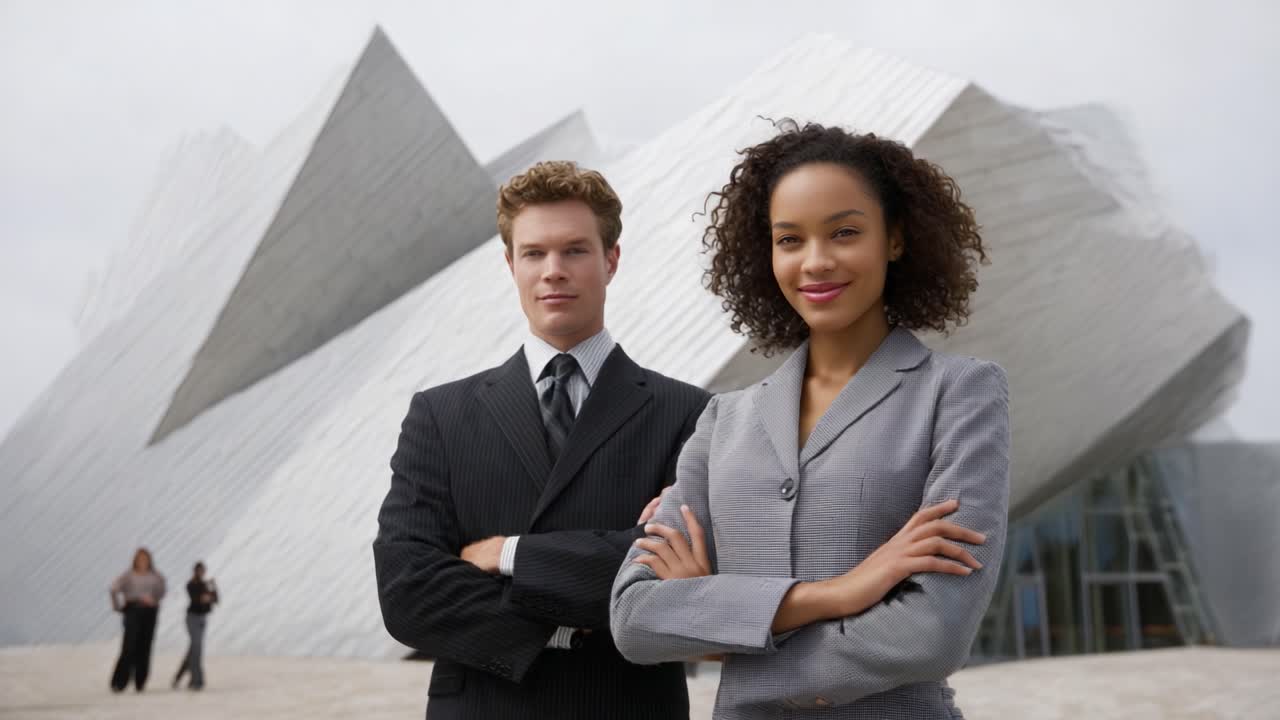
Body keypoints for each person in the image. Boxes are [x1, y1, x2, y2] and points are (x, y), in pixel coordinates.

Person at [611, 122, 1010, 718]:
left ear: (895, 239)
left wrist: (722, 627)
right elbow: (633, 619)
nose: (816, 262)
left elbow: (933, 633)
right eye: (790, 239)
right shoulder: (723, 420)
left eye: (845, 232)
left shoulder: (959, 393)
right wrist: (837, 593)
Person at [373, 161, 710, 719]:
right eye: (534, 253)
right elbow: (408, 589)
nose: (553, 271)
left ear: (611, 260)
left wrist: (507, 554)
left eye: (574, 250)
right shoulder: (440, 415)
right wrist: (564, 627)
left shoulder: (689, 412)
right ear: (511, 265)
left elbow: (671, 572)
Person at [109, 547, 166, 692]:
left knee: (145, 645)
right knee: (129, 645)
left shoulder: (156, 576)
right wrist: (118, 606)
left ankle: (140, 681)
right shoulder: (128, 575)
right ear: (135, 560)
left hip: (150, 612)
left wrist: (153, 599)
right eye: (140, 559)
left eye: (145, 559)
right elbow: (114, 589)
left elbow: (162, 591)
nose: (142, 562)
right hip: (133, 610)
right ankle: (119, 681)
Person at [172, 561, 218, 690]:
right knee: (196, 648)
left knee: (194, 649)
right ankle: (197, 680)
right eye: (199, 570)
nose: (201, 572)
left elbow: (215, 599)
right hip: (192, 618)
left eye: (202, 570)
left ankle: (179, 677)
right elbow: (198, 599)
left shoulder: (206, 584)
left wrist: (213, 588)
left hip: (202, 619)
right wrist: (207, 596)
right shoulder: (191, 584)